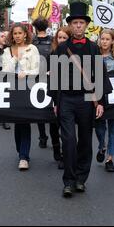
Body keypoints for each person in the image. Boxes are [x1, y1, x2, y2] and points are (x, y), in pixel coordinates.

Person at [51, 2, 112, 198]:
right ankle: (68, 181)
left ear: (86, 25)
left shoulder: (94, 48)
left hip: (87, 100)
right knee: (68, 140)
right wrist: (54, 101)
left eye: (81, 23)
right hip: (66, 99)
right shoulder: (61, 48)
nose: (78, 26)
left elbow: (100, 76)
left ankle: (80, 180)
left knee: (85, 141)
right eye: (75, 23)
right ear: (70, 25)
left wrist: (100, 102)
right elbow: (54, 77)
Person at [1, 23, 40, 170]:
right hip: (12, 89)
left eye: (20, 33)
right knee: (17, 121)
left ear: (25, 34)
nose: (17, 36)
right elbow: (6, 71)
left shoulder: (32, 49)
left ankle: (24, 156)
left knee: (25, 120)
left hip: (27, 88)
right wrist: (15, 57)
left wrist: (26, 73)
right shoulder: (7, 51)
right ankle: (21, 151)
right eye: (15, 33)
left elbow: (36, 69)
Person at [95, 30, 114, 172]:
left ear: (113, 41)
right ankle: (102, 145)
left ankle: (110, 159)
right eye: (102, 39)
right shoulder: (93, 56)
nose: (105, 41)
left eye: (108, 39)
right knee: (100, 127)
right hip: (97, 98)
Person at [46, 27, 73, 170]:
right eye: (59, 38)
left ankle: (64, 155)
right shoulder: (52, 54)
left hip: (68, 96)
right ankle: (56, 149)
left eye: (64, 38)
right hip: (56, 93)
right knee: (53, 124)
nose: (61, 40)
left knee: (66, 128)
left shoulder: (74, 55)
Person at [32, 17, 54, 148]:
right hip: (51, 77)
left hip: (36, 79)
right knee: (51, 107)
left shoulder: (32, 42)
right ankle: (51, 137)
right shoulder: (53, 41)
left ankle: (42, 136)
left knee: (39, 107)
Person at [0, 30, 11, 130]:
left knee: (5, 97)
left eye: (6, 36)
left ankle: (5, 119)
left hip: (7, 76)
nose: (4, 38)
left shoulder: (10, 50)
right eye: (2, 36)